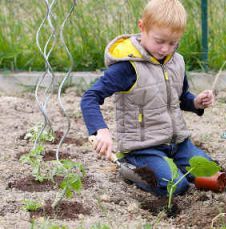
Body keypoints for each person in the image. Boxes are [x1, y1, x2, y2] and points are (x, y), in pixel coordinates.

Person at [81, 0, 215, 196]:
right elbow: (90, 97)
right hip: (143, 147)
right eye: (159, 41)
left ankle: (174, 167)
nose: (165, 49)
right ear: (142, 27)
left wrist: (196, 102)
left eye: (173, 43)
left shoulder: (176, 62)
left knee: (212, 173)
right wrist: (100, 130)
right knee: (176, 186)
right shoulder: (127, 67)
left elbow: (181, 97)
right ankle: (131, 170)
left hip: (178, 143)